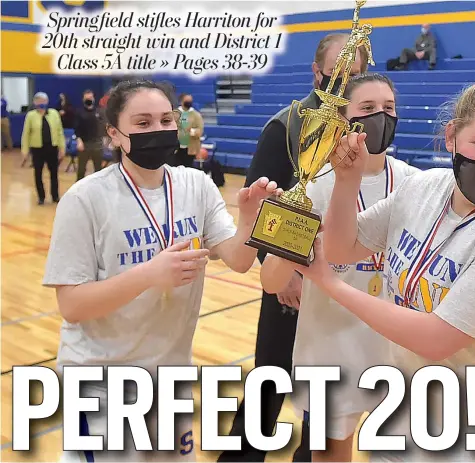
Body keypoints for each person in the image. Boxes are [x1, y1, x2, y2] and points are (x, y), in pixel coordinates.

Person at [294, 68, 475, 461]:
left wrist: (332, 286)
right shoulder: (424, 187)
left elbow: (435, 339)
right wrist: (347, 182)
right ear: (452, 136)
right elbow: (342, 248)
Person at [43, 79, 281, 462]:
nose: (158, 130)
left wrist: (250, 220)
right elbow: (71, 305)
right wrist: (150, 275)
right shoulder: (85, 198)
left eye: (165, 120)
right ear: (115, 134)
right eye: (142, 123)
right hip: (102, 386)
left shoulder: (196, 184)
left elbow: (238, 260)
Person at [217, 33, 369, 463]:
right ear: (316, 71)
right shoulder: (284, 127)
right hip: (290, 285)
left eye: (354, 74)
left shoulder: (360, 129)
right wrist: (281, 270)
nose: (345, 80)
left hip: (340, 286)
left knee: (323, 392)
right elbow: (260, 204)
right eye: (337, 71)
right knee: (269, 384)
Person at [259, 73, 418, 462]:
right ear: (344, 119)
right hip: (332, 349)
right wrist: (284, 241)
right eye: (368, 109)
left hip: (399, 350)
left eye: (389, 108)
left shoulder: (416, 183)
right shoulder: (316, 185)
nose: (381, 116)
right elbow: (271, 281)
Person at [21, 92, 65, 204]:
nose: (42, 103)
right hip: (37, 149)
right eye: (39, 101)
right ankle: (41, 197)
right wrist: (24, 151)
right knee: (38, 173)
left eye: (44, 101)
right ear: (35, 103)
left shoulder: (54, 114)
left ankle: (55, 196)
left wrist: (62, 148)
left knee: (54, 173)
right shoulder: (31, 115)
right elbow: (26, 134)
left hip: (52, 147)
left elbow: (60, 132)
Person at [75, 89, 104, 180]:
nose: (89, 100)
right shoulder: (79, 113)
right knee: (81, 170)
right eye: (87, 98)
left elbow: (104, 126)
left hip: (97, 144)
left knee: (99, 171)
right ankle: (78, 191)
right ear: (83, 99)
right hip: (84, 144)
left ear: (94, 99)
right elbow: (76, 129)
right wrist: (79, 141)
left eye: (90, 97)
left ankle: (98, 191)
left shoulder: (99, 112)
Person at [171, 92, 204, 168]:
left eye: (190, 101)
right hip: (176, 148)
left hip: (190, 148)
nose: (189, 102)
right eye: (187, 100)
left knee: (187, 169)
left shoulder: (196, 115)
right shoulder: (175, 114)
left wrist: (191, 131)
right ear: (181, 101)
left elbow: (200, 130)